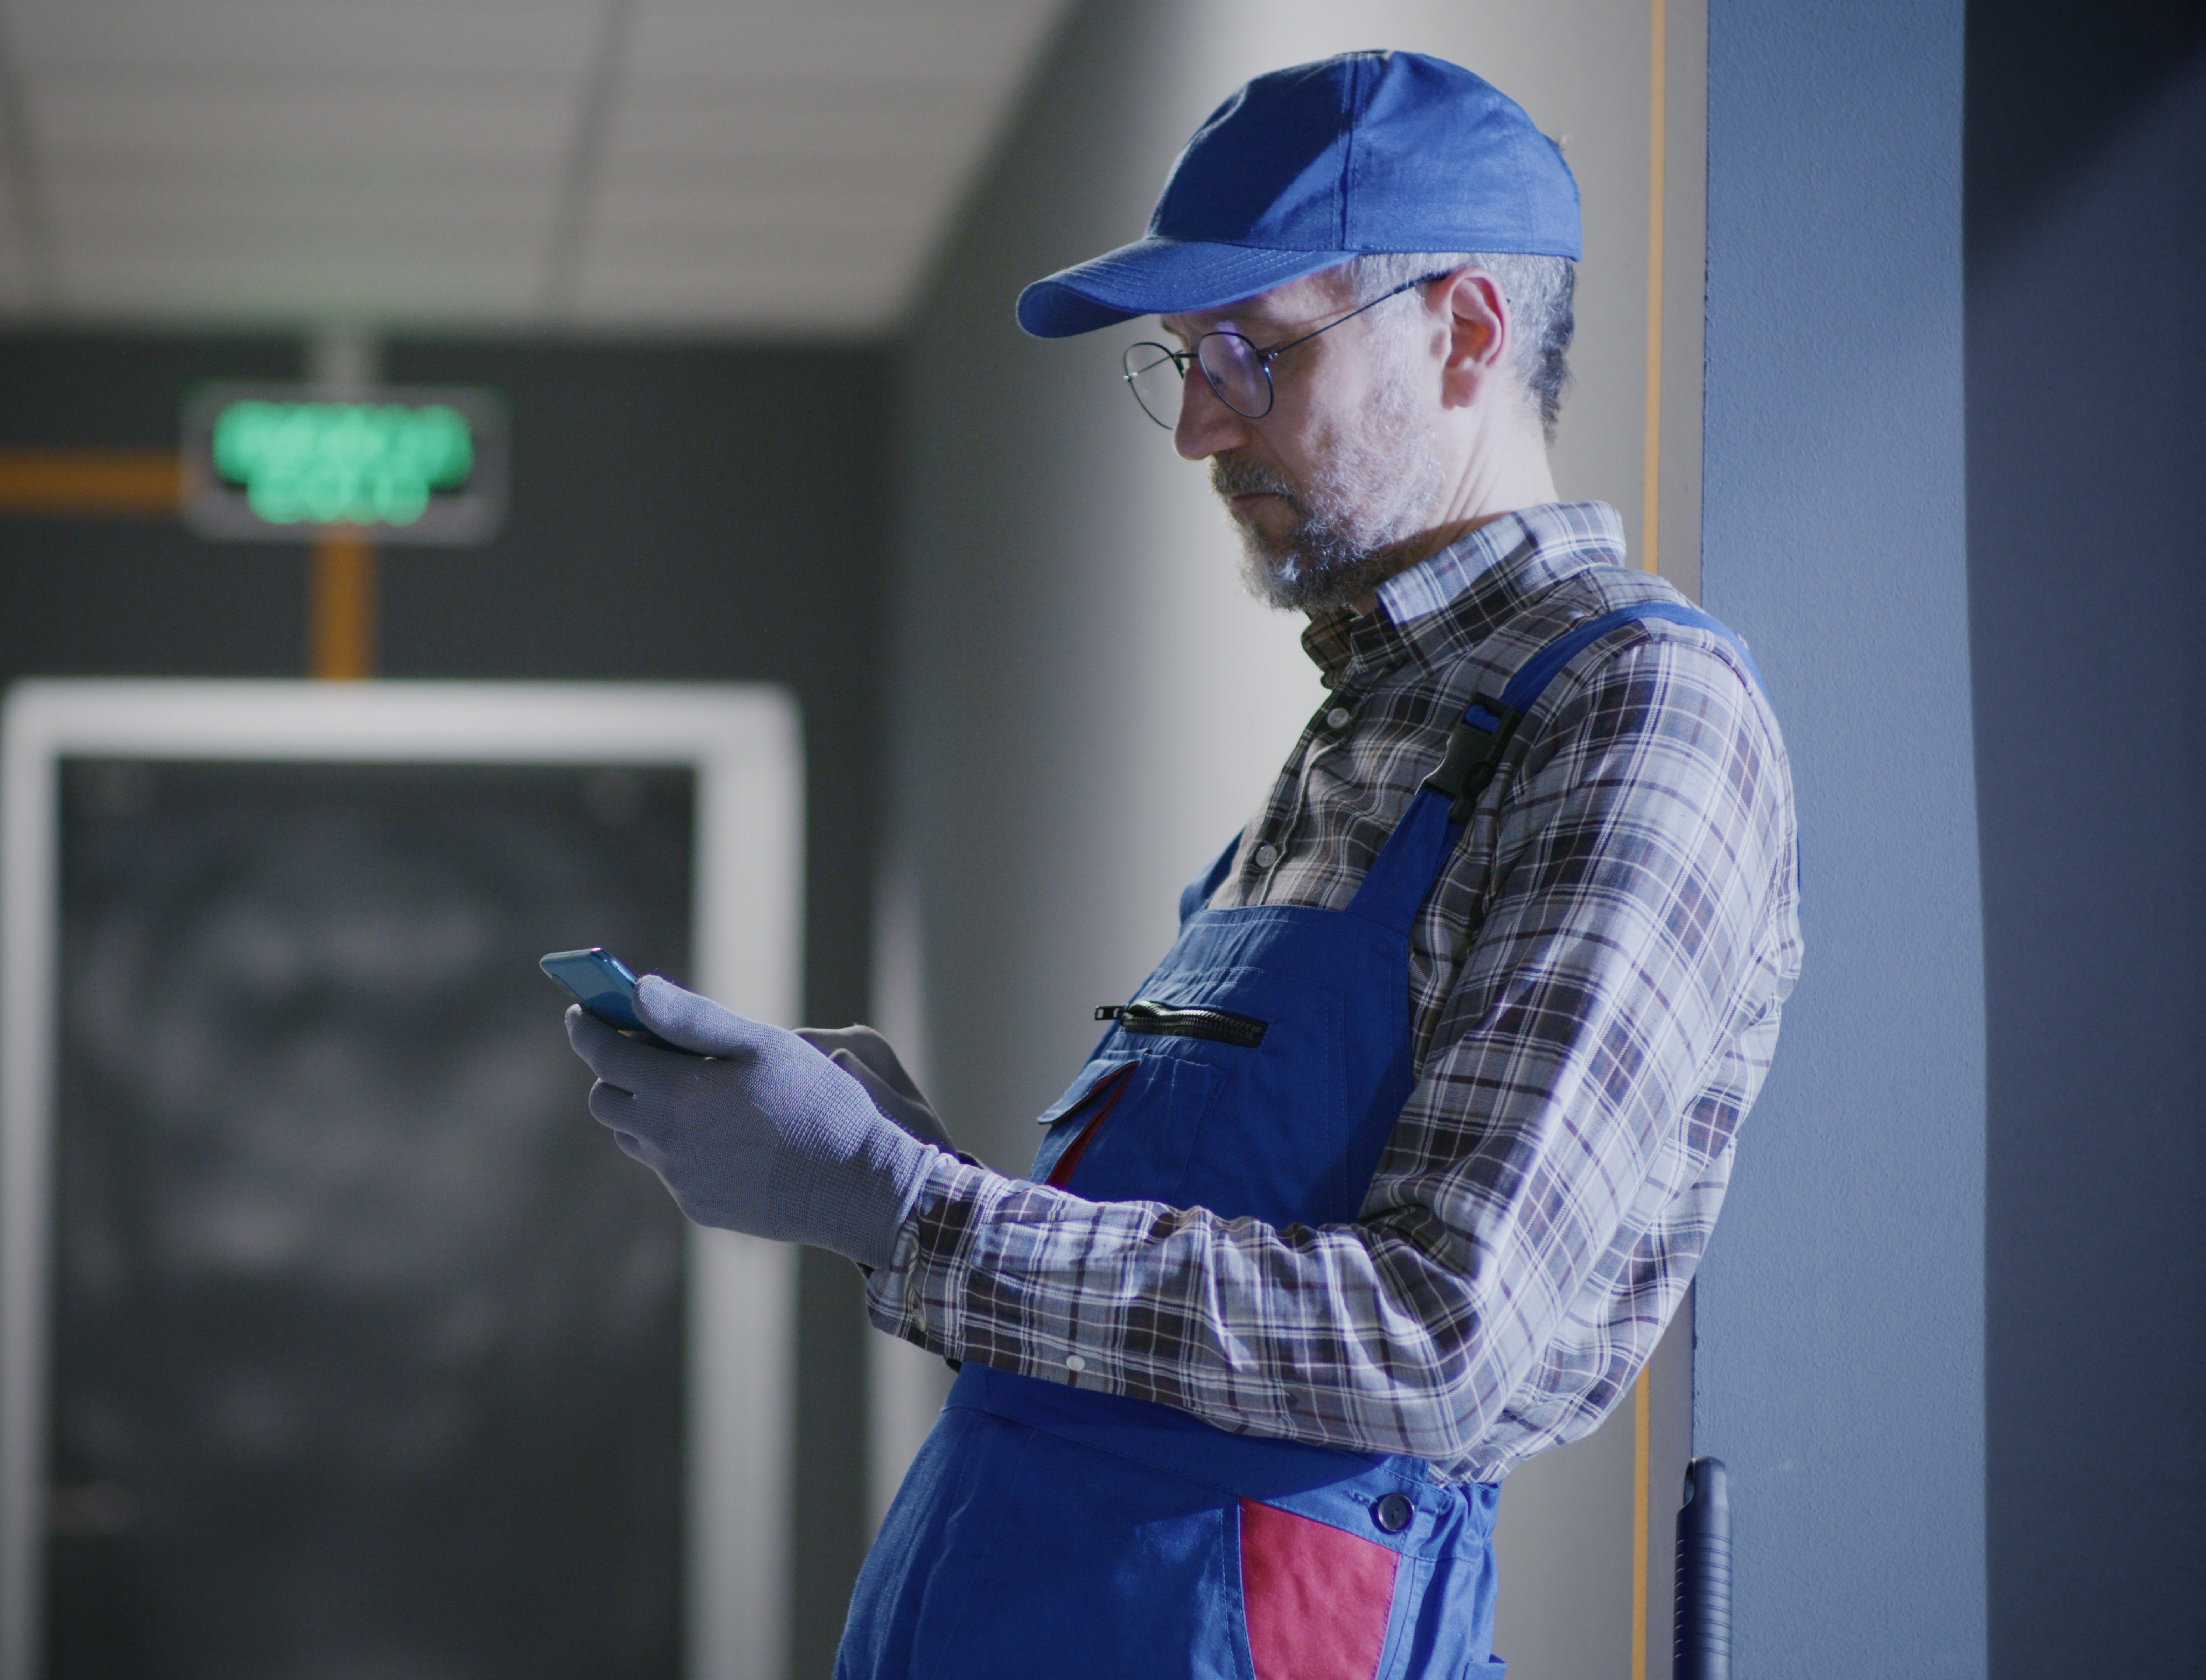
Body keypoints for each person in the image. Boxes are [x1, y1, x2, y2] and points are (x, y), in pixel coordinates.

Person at [564, 49, 1800, 1677]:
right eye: (1181, 364)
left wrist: (903, 1211)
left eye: (1251, 353)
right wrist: (902, 1151)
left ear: (1467, 331)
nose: (1198, 428)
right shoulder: (1372, 730)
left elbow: (1433, 1340)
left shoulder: (1633, 711)